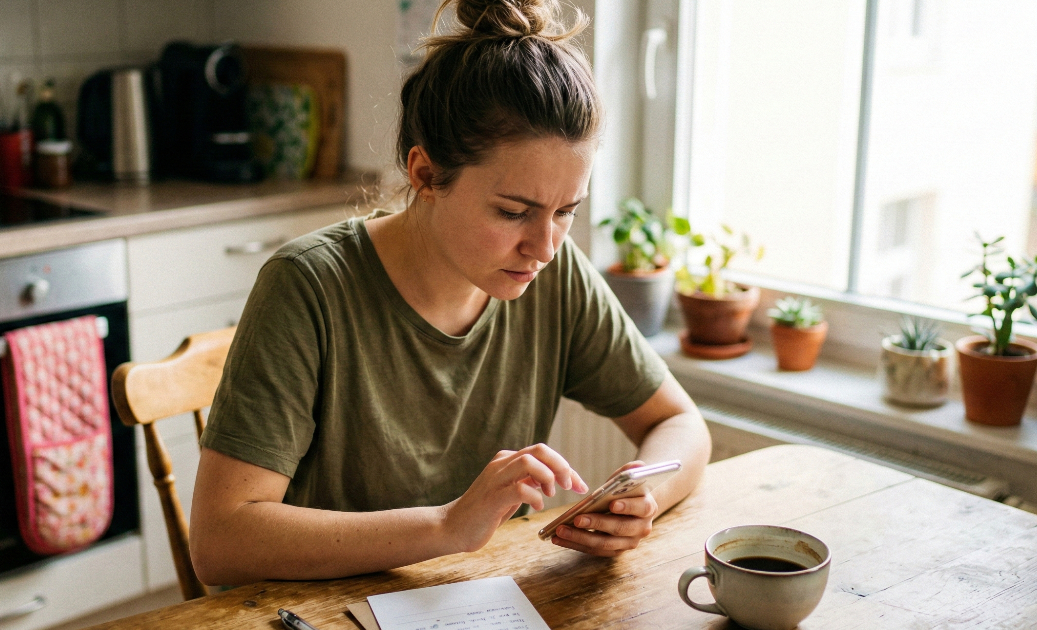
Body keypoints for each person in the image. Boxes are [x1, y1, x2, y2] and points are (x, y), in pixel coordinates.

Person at [189, 0, 711, 586]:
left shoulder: (556, 276)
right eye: (513, 212)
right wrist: (445, 526)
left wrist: (642, 499)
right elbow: (220, 540)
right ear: (426, 174)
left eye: (566, 211)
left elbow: (680, 423)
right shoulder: (307, 285)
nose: (544, 247)